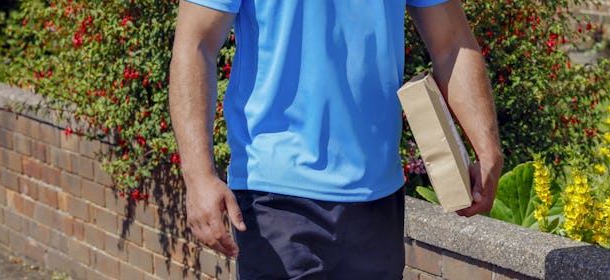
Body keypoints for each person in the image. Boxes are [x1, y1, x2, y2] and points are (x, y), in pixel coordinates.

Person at [167, 0, 503, 278]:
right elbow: (196, 43)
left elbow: (452, 43)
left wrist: (488, 148)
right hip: (276, 194)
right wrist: (198, 176)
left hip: (377, 199)